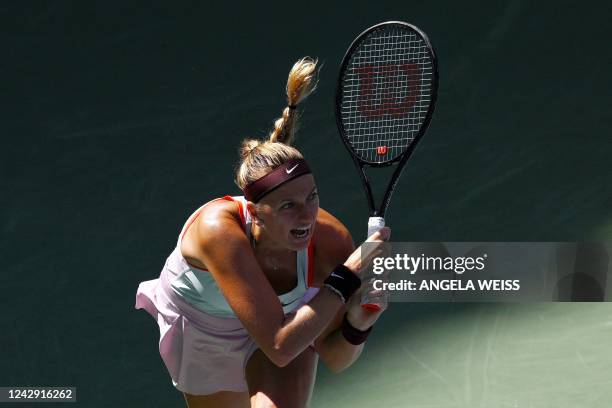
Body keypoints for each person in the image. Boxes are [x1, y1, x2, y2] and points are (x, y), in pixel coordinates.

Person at [135, 57, 391, 408]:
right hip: (205, 330)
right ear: (255, 212)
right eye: (288, 206)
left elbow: (335, 358)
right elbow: (280, 345)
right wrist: (347, 278)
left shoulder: (330, 242)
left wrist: (360, 323)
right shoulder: (217, 231)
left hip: (285, 326)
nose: (307, 215)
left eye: (312, 197)